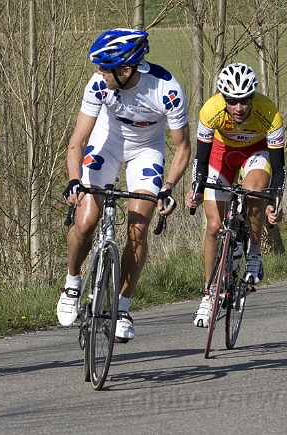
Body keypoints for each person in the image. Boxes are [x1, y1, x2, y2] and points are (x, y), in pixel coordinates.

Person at [57, 28, 192, 341]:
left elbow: (183, 147)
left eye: (105, 68)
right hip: (108, 143)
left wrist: (168, 187)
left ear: (126, 70)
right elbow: (77, 140)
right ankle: (72, 283)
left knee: (137, 229)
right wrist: (74, 180)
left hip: (147, 150)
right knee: (87, 219)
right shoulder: (99, 85)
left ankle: (121, 308)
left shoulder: (166, 89)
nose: (99, 73)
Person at [185, 62, 285, 327]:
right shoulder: (211, 110)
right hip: (220, 155)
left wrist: (274, 201)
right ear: (223, 98)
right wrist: (197, 188)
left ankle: (254, 253)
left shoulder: (269, 113)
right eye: (232, 101)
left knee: (254, 193)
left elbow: (278, 168)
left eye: (244, 100)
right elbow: (201, 159)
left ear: (252, 97)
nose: (238, 107)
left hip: (256, 153)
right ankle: (208, 294)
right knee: (214, 227)